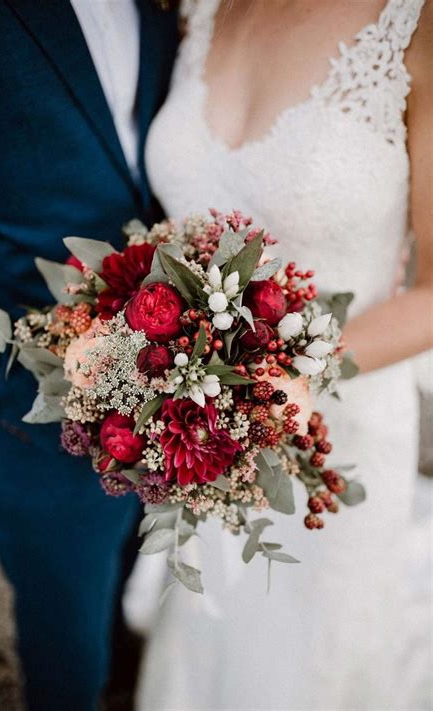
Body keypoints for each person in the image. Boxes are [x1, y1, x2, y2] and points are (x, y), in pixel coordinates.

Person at [136, 0, 433, 708]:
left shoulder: (416, 23)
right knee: (211, 630)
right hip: (201, 427)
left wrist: (292, 376)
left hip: (338, 436)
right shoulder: (199, 8)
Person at [0, 2, 178, 709]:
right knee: (67, 640)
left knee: (119, 578)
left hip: (169, 378)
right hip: (25, 405)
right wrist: (9, 381)